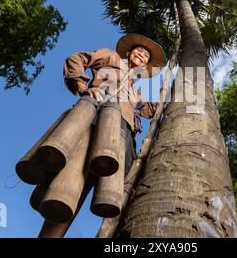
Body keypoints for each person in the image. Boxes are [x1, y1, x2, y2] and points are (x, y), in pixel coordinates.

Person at [63, 33, 166, 176]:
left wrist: (167, 91)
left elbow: (150, 111)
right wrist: (81, 86)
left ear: (144, 66)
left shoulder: (135, 89)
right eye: (139, 50)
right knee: (77, 167)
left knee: (117, 180)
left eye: (146, 55)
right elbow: (76, 59)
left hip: (126, 133)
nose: (142, 54)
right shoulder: (112, 57)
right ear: (129, 53)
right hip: (98, 113)